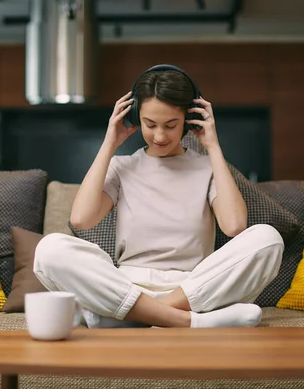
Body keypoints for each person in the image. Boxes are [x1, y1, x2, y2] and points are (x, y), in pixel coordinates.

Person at [33, 65, 284, 329]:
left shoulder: (208, 168)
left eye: (171, 125)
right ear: (134, 118)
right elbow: (81, 219)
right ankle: (190, 323)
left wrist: (213, 147)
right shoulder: (122, 166)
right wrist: (109, 143)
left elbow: (234, 226)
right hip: (127, 286)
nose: (160, 136)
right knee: (50, 250)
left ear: (188, 121)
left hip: (193, 289)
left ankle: (136, 317)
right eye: (150, 125)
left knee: (268, 239)